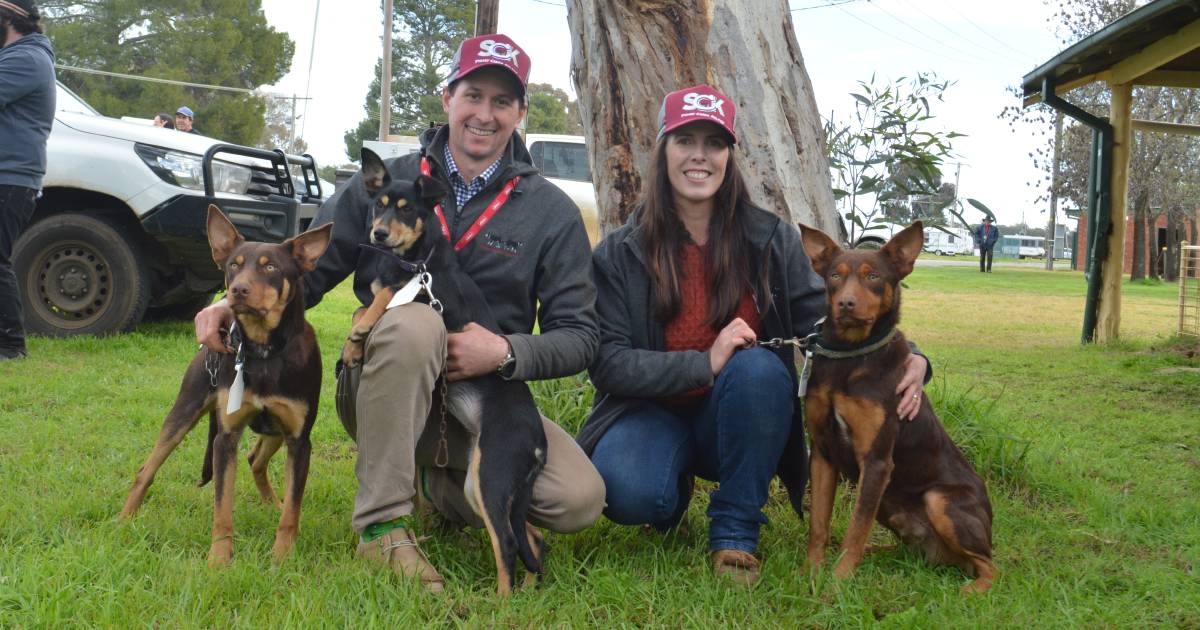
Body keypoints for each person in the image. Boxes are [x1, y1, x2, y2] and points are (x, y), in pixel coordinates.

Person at [194, 34, 604, 592]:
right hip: (381, 383)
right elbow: (300, 271)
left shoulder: (550, 213)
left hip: (480, 399)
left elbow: (581, 336)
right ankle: (383, 525)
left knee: (578, 499)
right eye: (473, 95)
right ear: (447, 98)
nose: (485, 114)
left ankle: (442, 486)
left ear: (520, 112)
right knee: (414, 323)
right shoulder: (382, 184)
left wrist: (505, 351)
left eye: (502, 102)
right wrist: (227, 301)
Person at [576, 85, 930, 586]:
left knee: (762, 368)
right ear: (662, 151)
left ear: (729, 156)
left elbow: (825, 318)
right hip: (648, 412)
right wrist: (704, 361)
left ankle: (736, 533)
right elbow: (608, 362)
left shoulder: (769, 238)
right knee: (634, 493)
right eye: (684, 141)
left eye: (714, 143)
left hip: (740, 415)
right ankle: (668, 489)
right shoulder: (619, 253)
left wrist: (913, 356)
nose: (699, 156)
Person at [0, 0, 54, 360]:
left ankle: (10, 345)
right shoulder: (21, 56)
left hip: (10, 177)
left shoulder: (25, 59)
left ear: (8, 20)